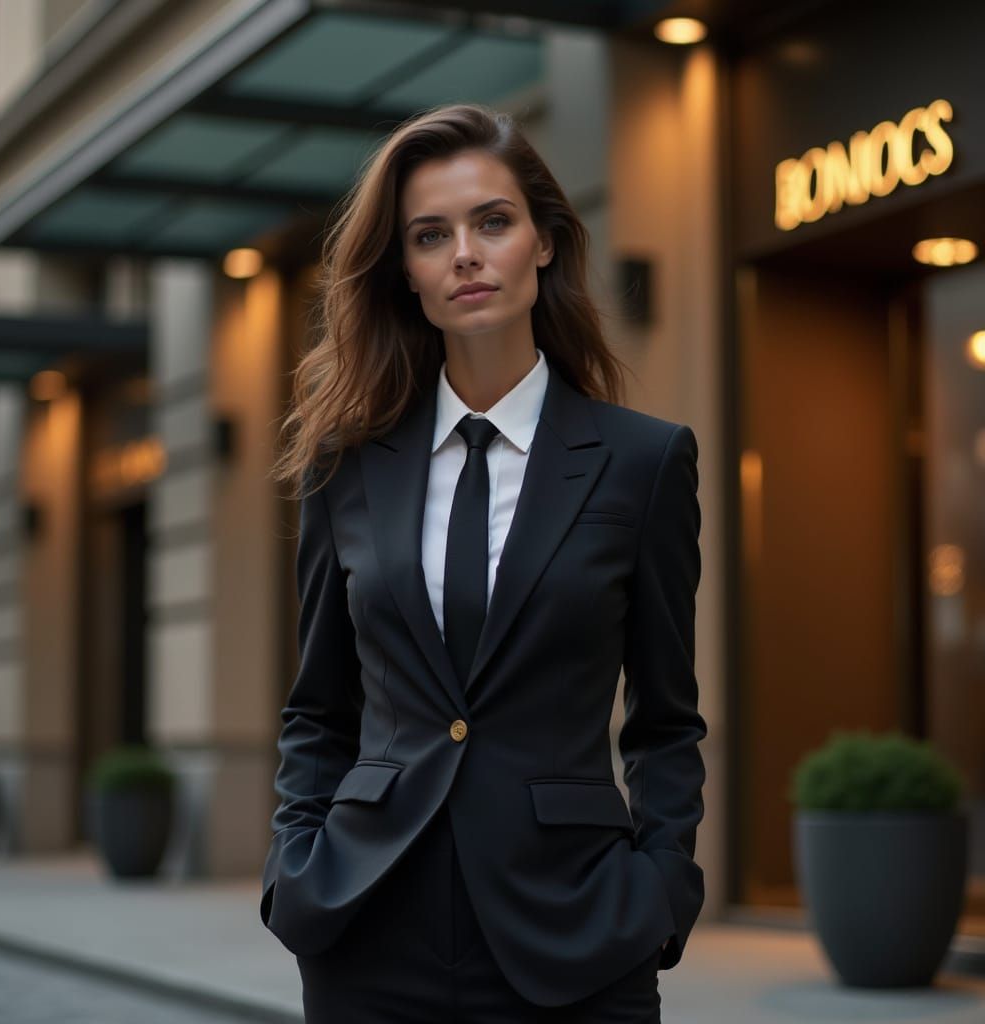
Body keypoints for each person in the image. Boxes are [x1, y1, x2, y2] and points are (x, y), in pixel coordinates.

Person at [260, 102, 707, 1023]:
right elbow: (319, 707)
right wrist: (295, 871)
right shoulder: (343, 469)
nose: (465, 253)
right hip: (367, 929)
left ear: (543, 241)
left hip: (577, 937)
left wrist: (661, 893)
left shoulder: (643, 461)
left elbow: (665, 718)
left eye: (492, 222)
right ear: (408, 275)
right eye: (431, 235)